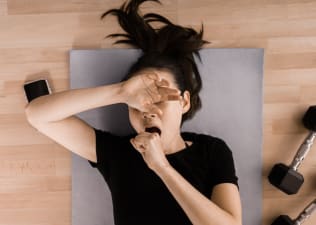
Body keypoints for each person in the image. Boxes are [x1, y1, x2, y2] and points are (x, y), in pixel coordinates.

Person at [25, 0, 242, 224]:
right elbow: (37, 115)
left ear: (184, 102)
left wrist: (162, 168)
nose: (148, 111)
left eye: (159, 98)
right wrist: (121, 92)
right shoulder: (118, 154)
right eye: (138, 103)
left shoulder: (212, 151)